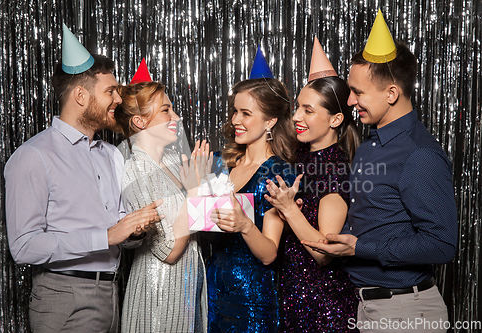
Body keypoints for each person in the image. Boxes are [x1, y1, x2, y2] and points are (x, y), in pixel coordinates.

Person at [303, 11, 458, 333]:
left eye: (357, 92)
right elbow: (374, 216)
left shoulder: (419, 155)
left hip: (406, 311)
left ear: (391, 94)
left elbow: (442, 244)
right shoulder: (370, 146)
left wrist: (360, 248)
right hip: (365, 305)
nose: (349, 100)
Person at [4, 25, 160, 333]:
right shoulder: (33, 156)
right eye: (110, 91)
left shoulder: (112, 154)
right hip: (64, 297)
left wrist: (134, 231)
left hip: (113, 295)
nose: (119, 98)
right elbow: (23, 246)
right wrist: (106, 236)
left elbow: (116, 224)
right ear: (80, 95)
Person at [264, 36, 360, 332]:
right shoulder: (298, 158)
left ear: (335, 120)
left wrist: (289, 210)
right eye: (297, 107)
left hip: (323, 307)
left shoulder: (335, 168)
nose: (295, 117)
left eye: (308, 110)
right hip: (293, 298)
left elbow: (323, 251)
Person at [206, 46, 299, 332]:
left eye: (246, 113)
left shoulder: (278, 173)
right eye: (235, 111)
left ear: (270, 121)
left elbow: (270, 253)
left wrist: (245, 225)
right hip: (210, 291)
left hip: (251, 301)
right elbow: (202, 224)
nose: (235, 120)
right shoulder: (219, 163)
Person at [115, 68, 210, 332]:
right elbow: (168, 252)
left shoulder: (171, 161)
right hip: (159, 293)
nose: (176, 118)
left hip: (188, 285)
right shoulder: (134, 172)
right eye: (166, 110)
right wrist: (193, 192)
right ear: (139, 122)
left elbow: (197, 222)